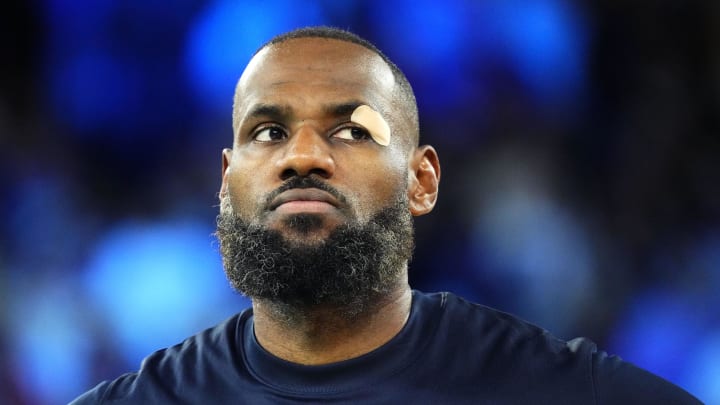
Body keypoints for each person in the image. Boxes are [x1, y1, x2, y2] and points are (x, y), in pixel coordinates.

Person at [71, 26, 702, 404]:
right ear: (226, 180)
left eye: (351, 130)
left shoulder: (558, 390)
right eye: (267, 131)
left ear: (421, 182)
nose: (304, 156)